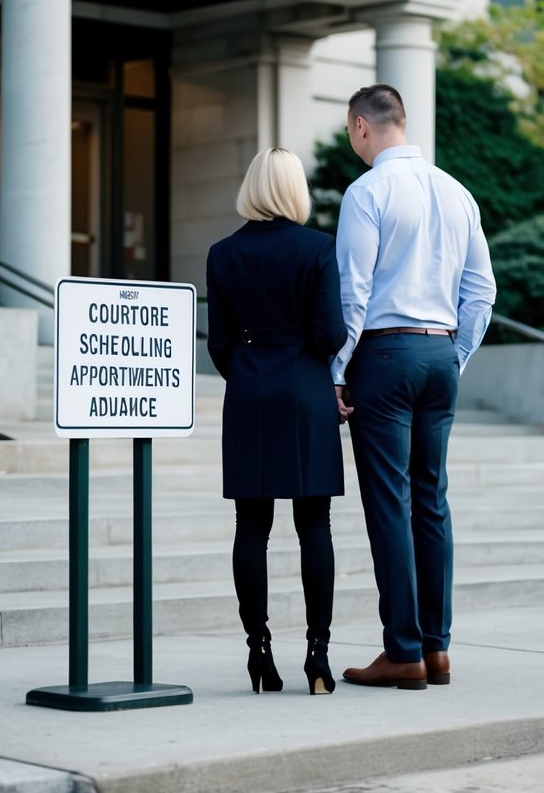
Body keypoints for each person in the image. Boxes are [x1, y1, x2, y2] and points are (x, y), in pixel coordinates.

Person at [332, 84, 496, 690]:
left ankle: (402, 651)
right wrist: (453, 356)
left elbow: (354, 291)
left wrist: (337, 370)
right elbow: (482, 291)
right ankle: (437, 649)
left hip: (386, 353)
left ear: (362, 127)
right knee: (431, 500)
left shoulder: (367, 191)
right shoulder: (457, 192)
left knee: (390, 504)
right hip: (438, 354)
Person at [206, 147, 348, 695]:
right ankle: (318, 656)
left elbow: (218, 342)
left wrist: (247, 369)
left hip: (248, 393)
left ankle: (258, 651)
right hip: (306, 392)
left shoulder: (223, 254)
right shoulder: (317, 249)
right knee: (315, 525)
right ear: (294, 189)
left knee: (251, 527)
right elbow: (331, 333)